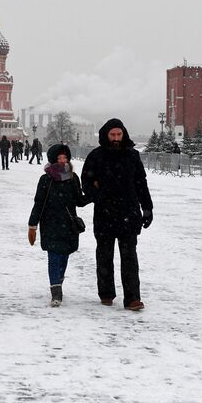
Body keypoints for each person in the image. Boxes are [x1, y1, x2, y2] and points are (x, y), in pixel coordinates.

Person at [81, 118, 153, 311]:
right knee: (104, 255)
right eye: (112, 135)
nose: (115, 138)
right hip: (104, 214)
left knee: (129, 257)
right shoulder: (96, 157)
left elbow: (141, 183)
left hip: (129, 213)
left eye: (118, 135)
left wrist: (147, 208)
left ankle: (132, 298)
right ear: (106, 135)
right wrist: (99, 195)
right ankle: (106, 293)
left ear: (124, 134)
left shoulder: (132, 156)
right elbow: (86, 183)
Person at [27, 144, 89, 307]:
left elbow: (80, 201)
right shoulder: (46, 179)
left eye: (65, 158)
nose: (62, 161)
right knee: (54, 257)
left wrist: (95, 191)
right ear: (53, 160)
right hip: (51, 224)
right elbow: (38, 204)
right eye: (59, 158)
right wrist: (32, 225)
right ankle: (56, 291)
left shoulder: (73, 178)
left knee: (64, 257)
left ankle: (59, 282)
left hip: (68, 225)